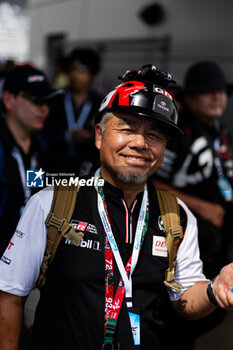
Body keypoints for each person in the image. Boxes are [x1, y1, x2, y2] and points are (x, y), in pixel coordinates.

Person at [1, 65, 233, 350]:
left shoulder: (178, 216)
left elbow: (185, 299)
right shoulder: (50, 204)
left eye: (155, 135)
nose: (140, 143)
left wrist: (213, 290)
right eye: (127, 128)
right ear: (99, 135)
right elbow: (10, 297)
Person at [153, 61, 233, 349]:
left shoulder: (219, 132)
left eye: (220, 91)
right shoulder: (178, 134)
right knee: (177, 324)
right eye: (206, 91)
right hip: (180, 241)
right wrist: (202, 207)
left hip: (215, 245)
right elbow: (151, 182)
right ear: (188, 97)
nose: (216, 97)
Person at [0, 64, 63, 258]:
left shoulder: (40, 148)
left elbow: (32, 190)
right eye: (36, 100)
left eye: (48, 102)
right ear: (9, 99)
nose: (44, 108)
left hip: (26, 261)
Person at [42, 47, 103, 175]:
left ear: (92, 74)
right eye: (72, 68)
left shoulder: (101, 104)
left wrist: (93, 134)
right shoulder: (56, 99)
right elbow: (44, 132)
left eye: (82, 69)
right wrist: (68, 136)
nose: (75, 74)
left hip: (88, 171)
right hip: (54, 169)